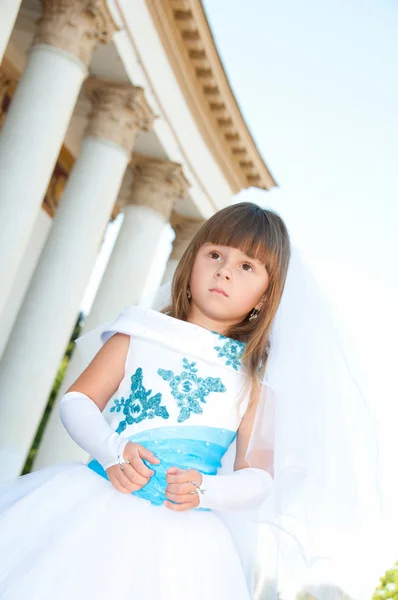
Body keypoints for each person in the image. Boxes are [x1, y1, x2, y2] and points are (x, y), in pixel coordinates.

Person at [0, 202, 380, 600]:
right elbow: (78, 400)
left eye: (247, 266)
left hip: (185, 543)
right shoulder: (139, 333)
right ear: (192, 262)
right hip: (92, 505)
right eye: (215, 254)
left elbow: (258, 477)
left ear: (265, 298)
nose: (225, 270)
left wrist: (206, 491)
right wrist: (111, 450)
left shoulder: (254, 384)